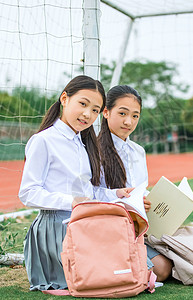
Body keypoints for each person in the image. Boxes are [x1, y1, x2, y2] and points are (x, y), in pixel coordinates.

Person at [19, 75, 132, 291]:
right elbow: (28, 193)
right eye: (83, 104)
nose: (87, 114)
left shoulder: (84, 144)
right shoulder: (44, 140)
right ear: (64, 98)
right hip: (56, 228)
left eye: (95, 110)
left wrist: (116, 194)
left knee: (124, 272)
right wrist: (70, 202)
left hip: (83, 223)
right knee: (103, 279)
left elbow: (88, 194)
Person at [98, 85, 173, 282]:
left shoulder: (138, 150)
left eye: (135, 116)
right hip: (108, 228)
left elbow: (140, 188)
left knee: (171, 265)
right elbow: (91, 195)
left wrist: (146, 200)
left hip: (137, 228)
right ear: (106, 112)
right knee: (162, 270)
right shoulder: (93, 150)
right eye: (122, 113)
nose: (128, 121)